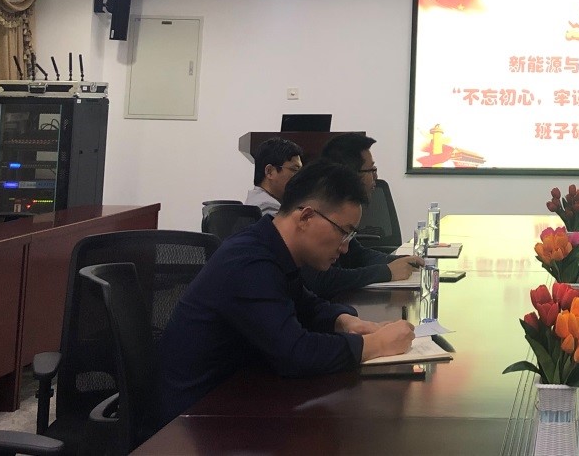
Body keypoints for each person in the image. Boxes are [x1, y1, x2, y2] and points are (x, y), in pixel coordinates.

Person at [159, 160, 416, 425]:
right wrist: (377, 345)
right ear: (306, 217)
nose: (345, 248)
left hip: (240, 395)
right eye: (344, 233)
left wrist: (346, 321)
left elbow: (306, 303)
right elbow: (295, 354)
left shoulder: (271, 246)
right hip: (193, 420)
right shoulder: (249, 262)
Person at [302, 133, 421, 297]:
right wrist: (387, 272)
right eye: (371, 170)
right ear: (351, 174)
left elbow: (358, 255)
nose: (376, 177)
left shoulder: (344, 209)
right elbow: (322, 279)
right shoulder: (320, 209)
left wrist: (402, 261)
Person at [245, 137, 303, 215]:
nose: (300, 176)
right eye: (294, 170)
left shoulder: (255, 200)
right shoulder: (268, 208)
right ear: (270, 171)